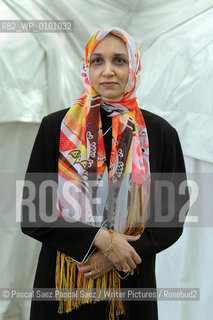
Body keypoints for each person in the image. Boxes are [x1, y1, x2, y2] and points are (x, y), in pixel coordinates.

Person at [21, 26, 189, 320]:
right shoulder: (56, 127)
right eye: (98, 61)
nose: (108, 71)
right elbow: (34, 214)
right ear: (87, 67)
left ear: (134, 66)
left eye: (119, 61)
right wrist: (102, 240)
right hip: (63, 292)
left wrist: (116, 257)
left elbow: (172, 218)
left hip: (129, 287)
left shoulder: (159, 133)